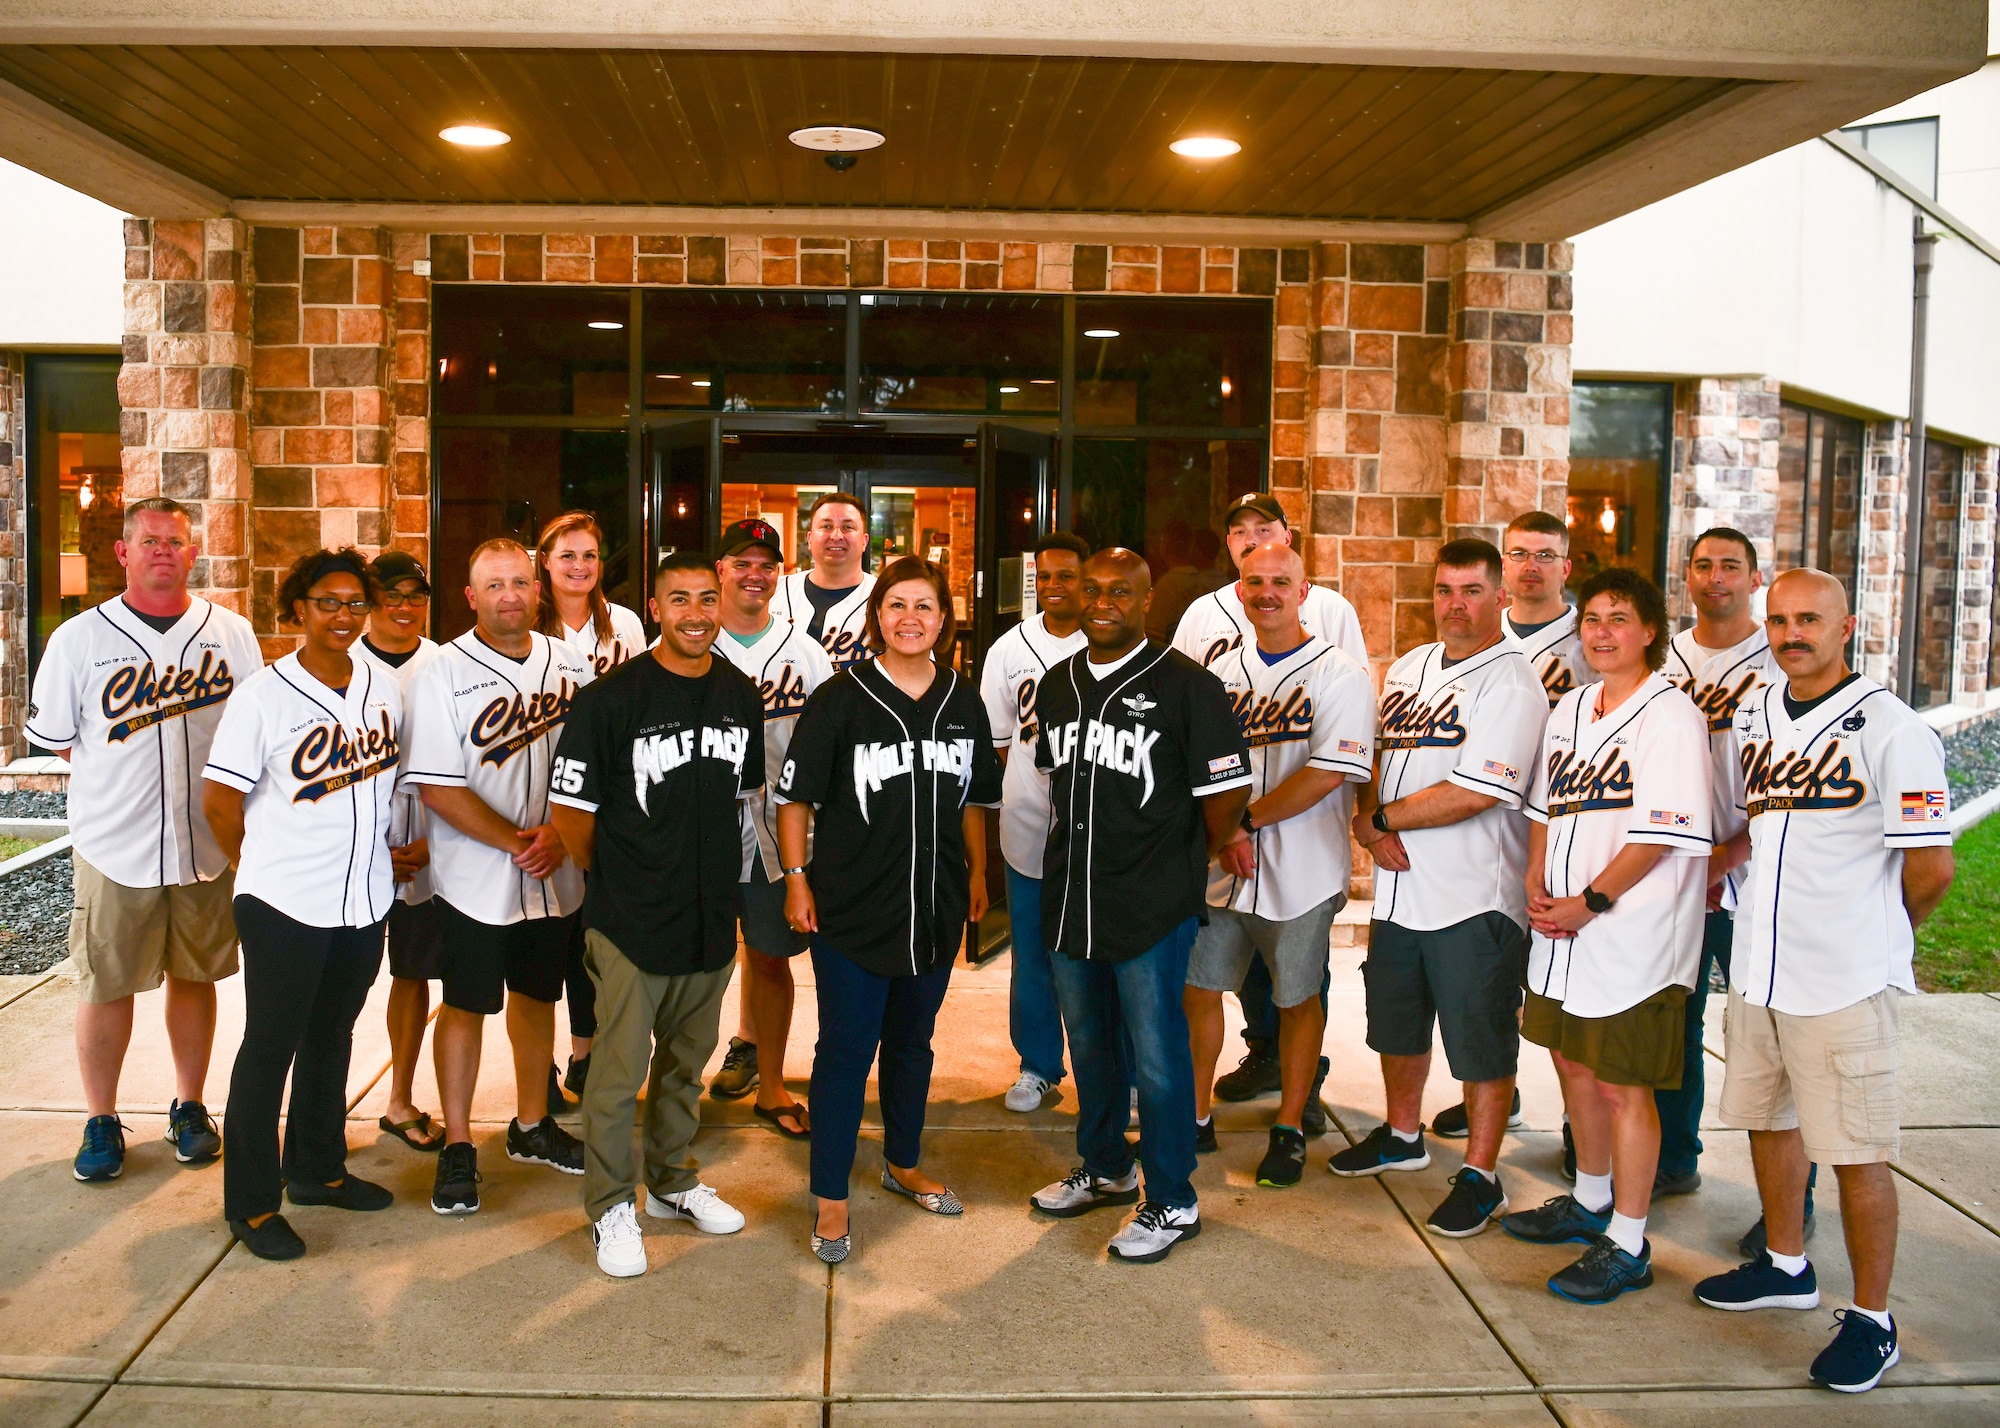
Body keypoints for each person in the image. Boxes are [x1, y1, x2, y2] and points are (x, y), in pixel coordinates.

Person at [1694, 569, 1954, 1395]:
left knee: (1857, 1152)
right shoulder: (1756, 709)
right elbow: (1752, 825)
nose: (1790, 633)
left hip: (1844, 976)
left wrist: (1883, 938)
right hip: (1762, 969)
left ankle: (1874, 1321)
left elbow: (1933, 868)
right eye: (1778, 620)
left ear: (1847, 627)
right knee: (1770, 1123)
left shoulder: (1893, 727)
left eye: (1809, 619)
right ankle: (1784, 1263)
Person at [26, 497, 262, 1183]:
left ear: (193, 554)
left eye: (176, 541)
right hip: (113, 843)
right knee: (106, 983)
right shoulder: (79, 639)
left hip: (206, 846)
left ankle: (189, 1106)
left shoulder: (232, 633)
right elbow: (64, 745)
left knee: (195, 975)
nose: (163, 551)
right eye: (149, 540)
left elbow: (253, 735)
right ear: (123, 552)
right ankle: (100, 1118)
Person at [776, 557, 1003, 1265]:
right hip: (850, 904)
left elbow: (973, 798)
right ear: (876, 615)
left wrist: (978, 873)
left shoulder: (962, 700)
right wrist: (795, 879)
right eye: (897, 605)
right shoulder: (840, 698)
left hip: (932, 906)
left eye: (925, 607)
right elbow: (795, 798)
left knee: (913, 1044)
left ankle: (903, 1162)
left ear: (945, 619)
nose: (911, 618)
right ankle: (832, 1197)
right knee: (845, 1052)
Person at [1027, 549, 1252, 1264]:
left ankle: (1173, 1198)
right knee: (1088, 1044)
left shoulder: (1189, 686)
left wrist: (1185, 859)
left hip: (1151, 903)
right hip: (1071, 897)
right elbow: (1053, 782)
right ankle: (1105, 1167)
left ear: (1147, 599)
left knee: (1157, 1057)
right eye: (1090, 590)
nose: (1101, 603)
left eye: (1119, 592)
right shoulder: (1057, 683)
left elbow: (1225, 798)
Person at [548, 553, 765, 1278]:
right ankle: (612, 1203)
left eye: (709, 598)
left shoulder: (740, 693)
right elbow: (570, 819)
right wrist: (623, 880)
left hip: (709, 919)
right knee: (615, 1075)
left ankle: (671, 1181)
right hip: (632, 920)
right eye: (681, 600)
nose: (698, 613)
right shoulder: (610, 700)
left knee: (684, 1065)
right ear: (655, 605)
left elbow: (744, 801)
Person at [1501, 569, 1712, 1303]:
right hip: (1562, 926)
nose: (1601, 632)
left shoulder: (1670, 715)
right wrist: (1535, 881)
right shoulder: (1569, 708)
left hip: (1633, 933)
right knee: (1573, 1062)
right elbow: (1542, 810)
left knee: (1625, 1086)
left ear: (1650, 631)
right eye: (1591, 619)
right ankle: (1590, 1200)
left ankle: (1628, 1239)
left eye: (1618, 619)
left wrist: (1588, 901)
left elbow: (1662, 834)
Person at [1339, 540, 1546, 1238]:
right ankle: (1402, 1136)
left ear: (1500, 598)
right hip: (1400, 892)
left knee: (1481, 1042)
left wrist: (1379, 821)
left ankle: (1482, 1174)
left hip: (1472, 898)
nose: (1455, 605)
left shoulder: (1513, 682)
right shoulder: (1409, 666)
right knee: (1395, 1025)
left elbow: (1477, 792)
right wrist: (1370, 828)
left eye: (1471, 591)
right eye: (1444, 590)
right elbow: (1372, 755)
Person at [200, 548, 401, 1259]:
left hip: (362, 898)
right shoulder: (264, 694)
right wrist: (257, 865)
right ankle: (251, 1205)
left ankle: (316, 1170)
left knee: (333, 1036)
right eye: (328, 603)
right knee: (269, 1049)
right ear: (297, 610)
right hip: (285, 900)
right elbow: (220, 803)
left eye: (355, 603)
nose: (344, 616)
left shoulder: (381, 683)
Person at [403, 539, 596, 1215]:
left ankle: (533, 1124)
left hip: (557, 876)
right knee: (465, 1005)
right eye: (495, 585)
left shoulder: (573, 663)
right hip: (475, 880)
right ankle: (459, 1143)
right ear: (471, 596)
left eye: (520, 582)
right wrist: (523, 840)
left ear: (538, 589)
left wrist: (561, 837)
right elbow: (437, 789)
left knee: (539, 997)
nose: (509, 595)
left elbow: (598, 762)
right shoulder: (441, 672)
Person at [1185, 542, 1374, 1186]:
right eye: (1254, 581)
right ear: (1239, 590)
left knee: (1297, 1000)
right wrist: (1221, 834)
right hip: (1224, 871)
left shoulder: (1340, 672)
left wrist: (1244, 822)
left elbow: (1327, 773)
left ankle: (1290, 1125)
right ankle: (1196, 1116)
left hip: (1302, 871)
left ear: (1303, 588)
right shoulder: (1219, 676)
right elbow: (1197, 766)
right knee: (1199, 993)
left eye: (1280, 581)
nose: (1267, 591)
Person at [1432, 509, 1586, 1147]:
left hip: (1562, 829)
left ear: (1565, 566)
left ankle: (1585, 1130)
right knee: (1495, 985)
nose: (1531, 566)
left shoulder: (1588, 640)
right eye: (1519, 553)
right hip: (1489, 830)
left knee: (1564, 988)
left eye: (1545, 555)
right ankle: (1498, 1096)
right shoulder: (1483, 637)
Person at [1657, 527, 1784, 1215]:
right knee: (1674, 1025)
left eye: (1730, 566)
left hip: (1756, 878)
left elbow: (1786, 785)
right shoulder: (1668, 657)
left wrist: (1726, 855)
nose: (1715, 578)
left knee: (1766, 1040)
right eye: (1703, 566)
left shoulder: (1778, 655)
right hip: (1677, 875)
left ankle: (1788, 1211)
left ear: (1754, 578)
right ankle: (1675, 1160)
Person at [709, 519, 834, 1135]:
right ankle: (682, 1081)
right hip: (700, 833)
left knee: (768, 958)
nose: (754, 574)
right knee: (691, 966)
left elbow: (827, 747)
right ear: (720, 571)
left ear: (779, 574)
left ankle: (773, 1083)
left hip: (776, 833)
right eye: (742, 562)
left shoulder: (804, 650)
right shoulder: (689, 642)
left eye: (767, 564)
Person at [536, 511, 647, 1108]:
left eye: (589, 556)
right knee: (541, 940)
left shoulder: (623, 626)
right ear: (545, 563)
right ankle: (540, 1064)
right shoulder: (523, 622)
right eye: (567, 556)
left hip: (609, 796)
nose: (579, 567)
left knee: (592, 937)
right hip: (532, 797)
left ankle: (584, 1056)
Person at [979, 531, 1091, 1113]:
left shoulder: (1112, 643)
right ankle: (1039, 1065)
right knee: (1033, 953)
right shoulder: (1008, 649)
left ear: (1086, 578)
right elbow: (1000, 744)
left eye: (1065, 575)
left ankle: (1112, 1072)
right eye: (1043, 576)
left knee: (1099, 956)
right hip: (1027, 826)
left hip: (1101, 834)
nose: (1053, 586)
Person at [352, 550, 447, 1154]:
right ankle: (314, 1106)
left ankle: (400, 1098)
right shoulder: (340, 663)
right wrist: (369, 852)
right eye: (392, 593)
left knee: (413, 973)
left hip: (428, 844)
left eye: (415, 594)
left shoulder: (447, 662)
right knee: (342, 982)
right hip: (354, 848)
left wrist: (433, 844)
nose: (405, 605)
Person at [765, 492, 877, 676]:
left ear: (864, 541)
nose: (836, 535)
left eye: (848, 527)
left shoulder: (887, 596)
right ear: (809, 539)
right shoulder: (773, 591)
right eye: (826, 526)